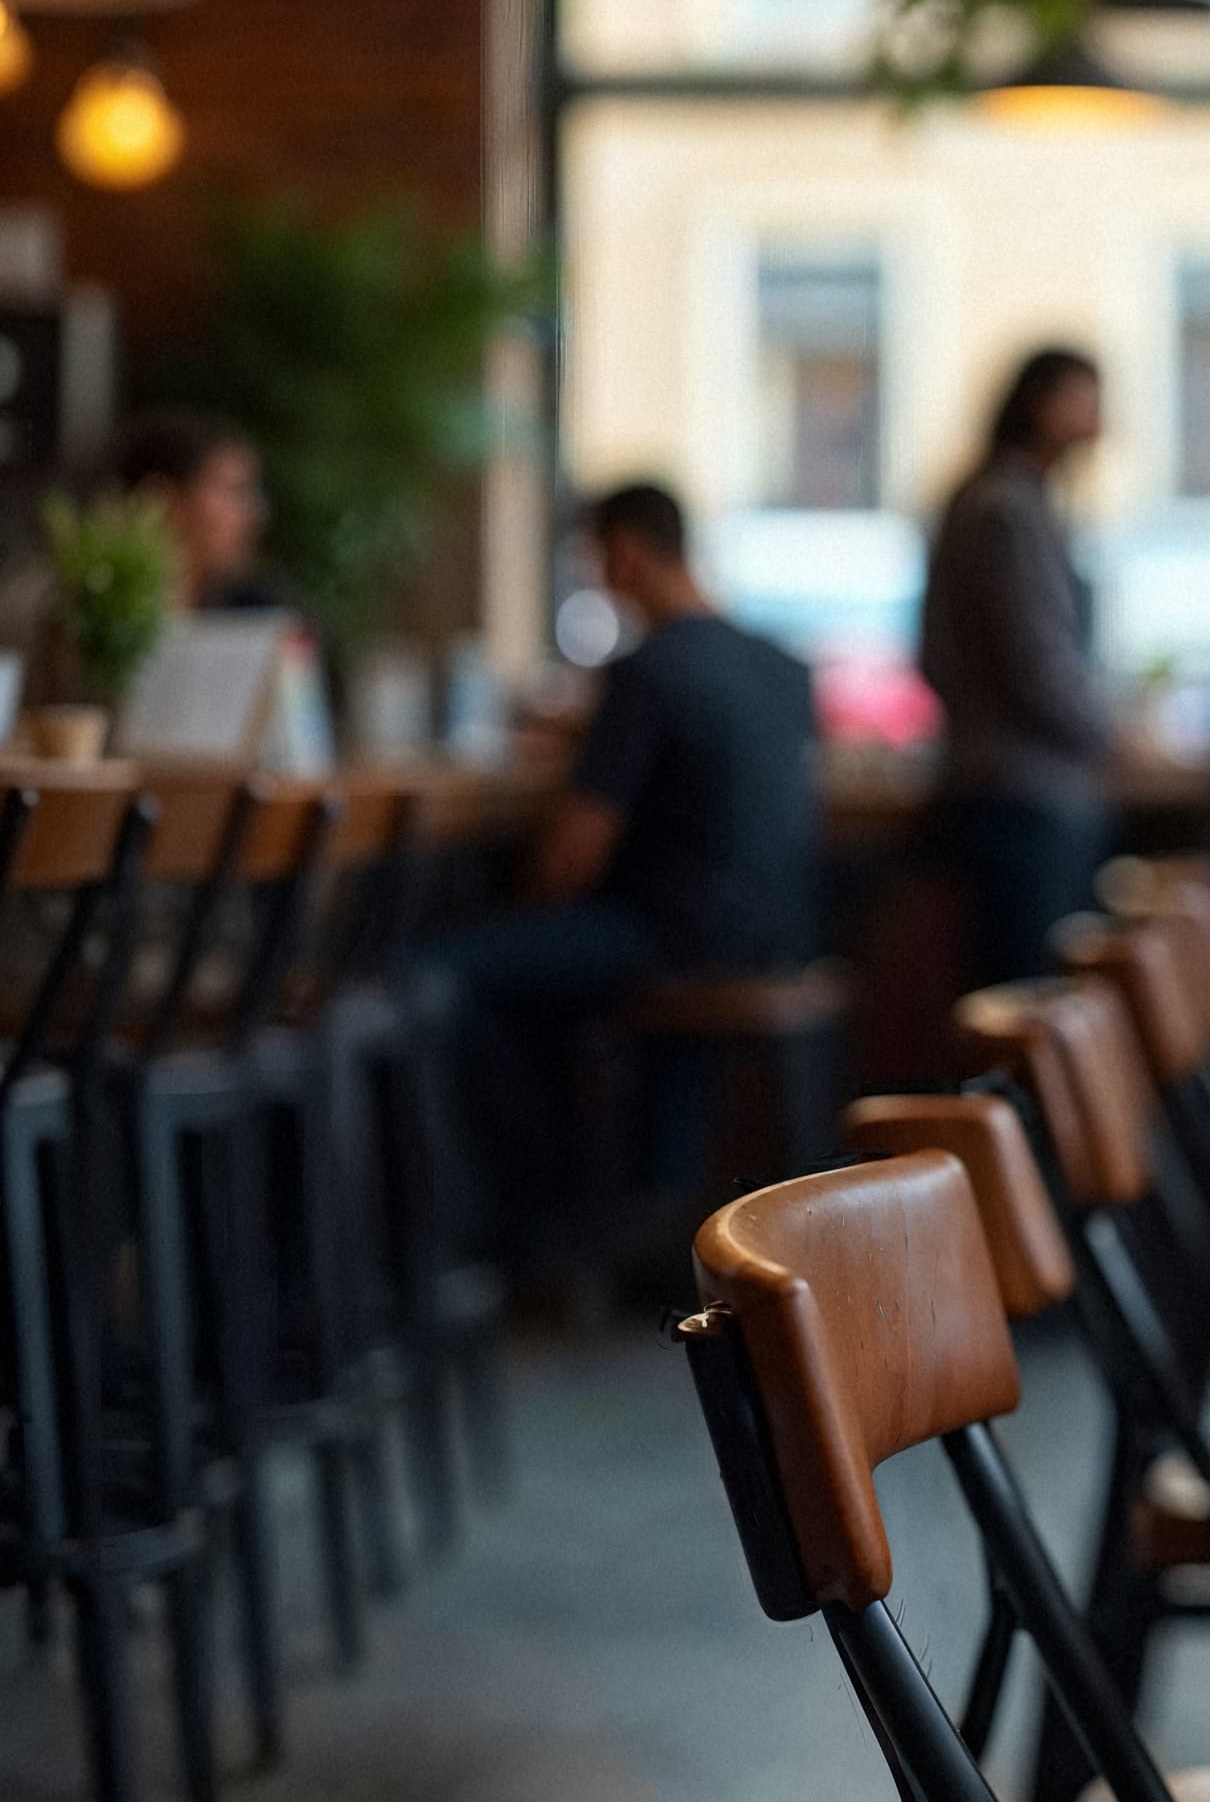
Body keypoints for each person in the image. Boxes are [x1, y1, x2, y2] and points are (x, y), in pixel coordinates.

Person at [426, 482, 821, 1263]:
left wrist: (528, 904)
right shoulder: (781, 665)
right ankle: (620, 1212)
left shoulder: (645, 673)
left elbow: (575, 856)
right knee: (544, 977)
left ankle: (542, 1221)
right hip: (776, 933)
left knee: (446, 970)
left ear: (626, 553)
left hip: (670, 935)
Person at [919, 346, 1113, 983]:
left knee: (1026, 991)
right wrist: (1109, 734)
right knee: (1029, 1000)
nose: (1101, 420)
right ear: (1039, 403)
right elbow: (1036, 664)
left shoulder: (1002, 498)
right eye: (1086, 399)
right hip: (1023, 793)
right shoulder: (1006, 506)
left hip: (1003, 784)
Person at [107, 409, 278, 612]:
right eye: (235, 491)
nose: (256, 515)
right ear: (161, 501)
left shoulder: (259, 610)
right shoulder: (92, 623)